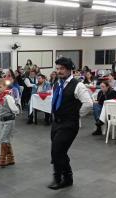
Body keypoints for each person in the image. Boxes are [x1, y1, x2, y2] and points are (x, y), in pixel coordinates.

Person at [48, 57, 93, 190]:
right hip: (57, 122)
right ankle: (65, 177)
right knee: (58, 151)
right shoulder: (57, 83)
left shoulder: (78, 85)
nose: (59, 71)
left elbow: (88, 103)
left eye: (61, 68)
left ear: (69, 69)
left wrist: (76, 115)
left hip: (69, 124)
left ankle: (61, 178)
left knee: (57, 150)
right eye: (57, 68)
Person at [0, 79, 19, 167]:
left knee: (3, 139)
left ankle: (2, 159)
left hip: (9, 120)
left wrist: (12, 112)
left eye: (1, 87)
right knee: (5, 139)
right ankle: (11, 158)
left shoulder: (8, 97)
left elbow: (16, 109)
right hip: (2, 120)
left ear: (5, 87)